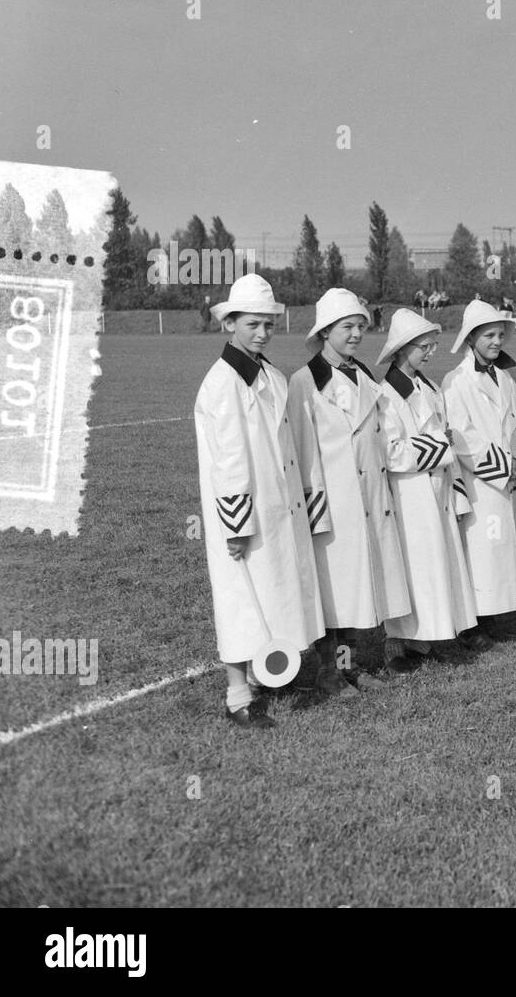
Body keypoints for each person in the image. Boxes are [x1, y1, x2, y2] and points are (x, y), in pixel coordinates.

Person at [195, 274, 326, 729]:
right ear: (230, 323)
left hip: (279, 507)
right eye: (253, 323)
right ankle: (237, 695)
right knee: (239, 597)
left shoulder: (273, 376)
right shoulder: (221, 383)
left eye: (269, 324)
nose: (263, 332)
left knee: (277, 589)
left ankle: (275, 670)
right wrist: (235, 525)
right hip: (243, 513)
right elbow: (228, 461)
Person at [288, 288, 412, 695]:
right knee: (336, 592)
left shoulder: (364, 376)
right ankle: (330, 672)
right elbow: (304, 452)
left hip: (370, 499)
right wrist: (316, 511)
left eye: (361, 325)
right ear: (325, 331)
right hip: (334, 505)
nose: (357, 333)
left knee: (360, 589)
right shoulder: (305, 383)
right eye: (348, 327)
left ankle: (351, 665)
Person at [376, 310, 478, 668]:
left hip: (439, 488)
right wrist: (440, 447)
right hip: (410, 494)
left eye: (432, 345)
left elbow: (444, 434)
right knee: (413, 565)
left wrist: (443, 446)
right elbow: (391, 452)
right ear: (402, 349)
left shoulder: (429, 387)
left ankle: (430, 637)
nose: (430, 352)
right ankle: (398, 642)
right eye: (423, 346)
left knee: (439, 560)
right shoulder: (386, 395)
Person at [442, 300, 516, 635]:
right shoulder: (456, 381)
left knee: (510, 546)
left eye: (500, 334)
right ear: (471, 338)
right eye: (488, 335)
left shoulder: (504, 377)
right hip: (485, 483)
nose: (496, 341)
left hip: (513, 476)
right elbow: (462, 438)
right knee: (486, 550)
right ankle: (484, 620)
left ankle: (509, 612)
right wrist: (506, 465)